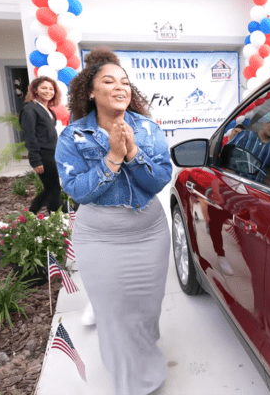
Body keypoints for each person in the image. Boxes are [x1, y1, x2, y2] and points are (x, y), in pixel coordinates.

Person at [55, 47, 173, 394]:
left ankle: (142, 352)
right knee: (115, 315)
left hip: (149, 232)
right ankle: (135, 384)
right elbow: (77, 190)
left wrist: (133, 154)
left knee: (146, 312)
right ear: (91, 92)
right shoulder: (72, 136)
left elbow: (159, 180)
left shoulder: (149, 129)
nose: (120, 87)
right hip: (100, 238)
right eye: (109, 81)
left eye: (124, 82)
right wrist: (111, 160)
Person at [21, 76, 63, 215]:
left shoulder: (47, 109)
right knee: (53, 189)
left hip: (52, 153)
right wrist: (35, 160)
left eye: (51, 89)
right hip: (43, 155)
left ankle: (31, 214)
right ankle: (55, 220)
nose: (48, 91)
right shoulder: (30, 109)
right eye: (44, 88)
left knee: (51, 188)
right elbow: (29, 136)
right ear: (36, 90)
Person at [225, 114, 270, 181]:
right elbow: (226, 154)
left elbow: (269, 172)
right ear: (265, 123)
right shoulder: (245, 135)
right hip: (231, 180)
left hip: (253, 187)